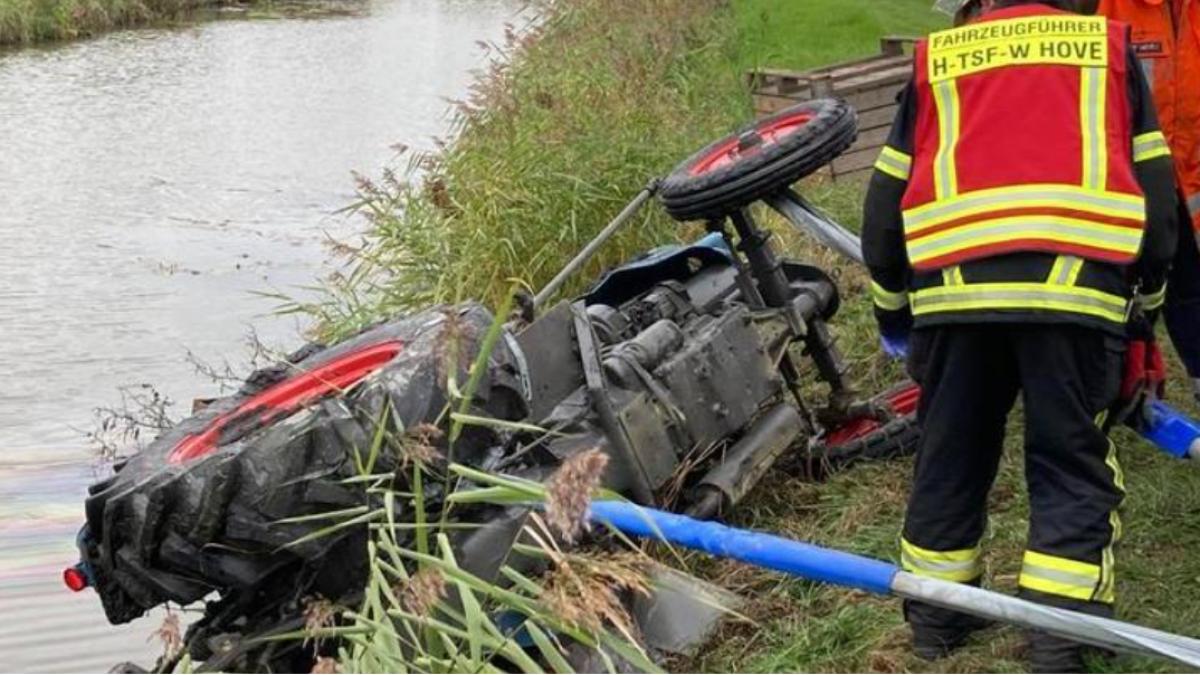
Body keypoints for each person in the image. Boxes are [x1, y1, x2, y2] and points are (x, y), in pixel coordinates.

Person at [863, 0, 1179, 671]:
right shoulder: (1107, 48)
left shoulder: (937, 59)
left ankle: (937, 621)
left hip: (952, 302)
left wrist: (895, 313)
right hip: (1076, 298)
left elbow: (883, 208)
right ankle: (1059, 637)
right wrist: (1144, 306)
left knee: (949, 453)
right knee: (1069, 457)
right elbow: (1156, 194)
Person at [1093, 0, 1200, 402]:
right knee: (1124, 293)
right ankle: (1114, 387)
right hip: (1128, 182)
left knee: (1189, 286)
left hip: (1187, 183)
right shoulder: (1111, 8)